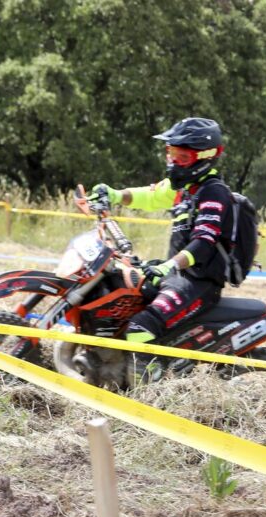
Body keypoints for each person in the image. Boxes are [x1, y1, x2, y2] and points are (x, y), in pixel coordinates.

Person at [89, 117, 234, 382]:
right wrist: (113, 194)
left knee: (139, 327)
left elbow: (204, 241)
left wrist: (169, 266)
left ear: (205, 157)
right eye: (171, 154)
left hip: (198, 282)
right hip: (176, 276)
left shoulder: (214, 192)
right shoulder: (185, 188)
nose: (173, 162)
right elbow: (150, 195)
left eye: (182, 157)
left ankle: (152, 393)